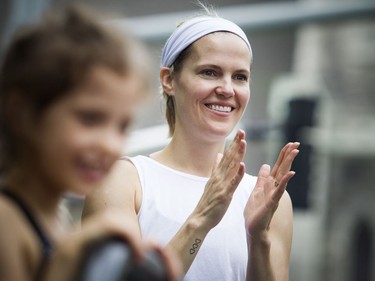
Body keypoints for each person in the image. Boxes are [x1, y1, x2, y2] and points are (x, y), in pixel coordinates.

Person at [83, 4, 300, 281]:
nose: (226, 89)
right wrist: (201, 219)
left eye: (240, 77)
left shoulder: (270, 202)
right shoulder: (123, 181)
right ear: (168, 80)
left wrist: (258, 239)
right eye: (209, 72)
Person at [0, 5, 181, 281]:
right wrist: (69, 257)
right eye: (90, 119)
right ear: (22, 112)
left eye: (121, 126)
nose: (110, 144)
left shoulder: (53, 216)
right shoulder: (6, 222)